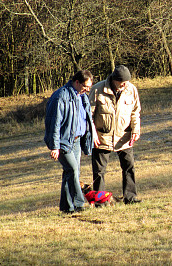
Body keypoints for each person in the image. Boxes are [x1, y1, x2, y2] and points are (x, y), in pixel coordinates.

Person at [89, 65, 142, 204]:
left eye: (127, 82)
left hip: (124, 137)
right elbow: (89, 115)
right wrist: (93, 134)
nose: (125, 85)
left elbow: (135, 112)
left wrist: (136, 129)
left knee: (129, 167)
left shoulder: (131, 89)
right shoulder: (97, 90)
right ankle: (100, 201)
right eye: (122, 82)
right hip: (101, 138)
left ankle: (130, 197)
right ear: (114, 80)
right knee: (99, 172)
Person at [44, 70, 94, 213]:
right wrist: (55, 147)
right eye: (86, 86)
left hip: (77, 141)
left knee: (70, 173)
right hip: (63, 142)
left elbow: (86, 119)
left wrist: (91, 137)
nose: (88, 89)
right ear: (77, 82)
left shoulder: (82, 96)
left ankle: (67, 207)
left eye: (90, 87)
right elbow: (54, 123)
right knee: (73, 170)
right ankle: (79, 204)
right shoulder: (61, 96)